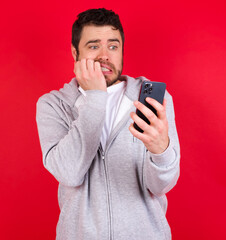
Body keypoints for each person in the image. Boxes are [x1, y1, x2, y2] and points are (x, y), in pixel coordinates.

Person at [36, 8, 180, 240]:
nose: (105, 55)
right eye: (93, 46)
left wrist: (161, 151)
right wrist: (95, 97)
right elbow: (69, 173)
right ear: (75, 53)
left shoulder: (151, 97)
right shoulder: (53, 105)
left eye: (113, 46)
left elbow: (162, 185)